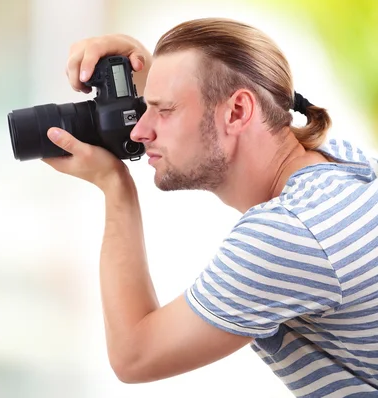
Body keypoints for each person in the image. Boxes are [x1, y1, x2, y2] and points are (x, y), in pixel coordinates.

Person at [42, 17, 378, 397]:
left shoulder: (289, 234)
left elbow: (135, 356)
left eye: (163, 110)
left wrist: (114, 186)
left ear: (237, 112)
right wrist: (152, 82)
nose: (139, 131)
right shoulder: (346, 164)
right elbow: (207, 104)